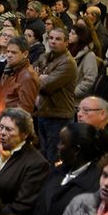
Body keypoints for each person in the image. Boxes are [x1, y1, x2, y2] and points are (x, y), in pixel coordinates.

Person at [31, 122, 108, 215]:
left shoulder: (94, 186)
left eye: (62, 143)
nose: (57, 146)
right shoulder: (57, 169)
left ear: (76, 150)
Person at [0, 108, 51, 215]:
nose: (2, 133)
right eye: (1, 127)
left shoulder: (36, 164)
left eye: (9, 130)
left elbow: (22, 206)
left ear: (24, 134)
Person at [33, 26, 78, 162]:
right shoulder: (44, 56)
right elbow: (31, 77)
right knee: (43, 153)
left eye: (58, 39)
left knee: (54, 156)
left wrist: (40, 77)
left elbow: (46, 86)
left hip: (59, 115)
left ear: (66, 43)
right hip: (43, 112)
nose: (53, 41)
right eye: (51, 38)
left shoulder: (68, 62)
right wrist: (40, 77)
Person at [0, 36, 40, 113]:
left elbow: (25, 109)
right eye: (8, 51)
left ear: (25, 54)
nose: (9, 55)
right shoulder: (8, 69)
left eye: (13, 52)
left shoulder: (28, 76)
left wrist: (5, 120)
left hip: (10, 121)